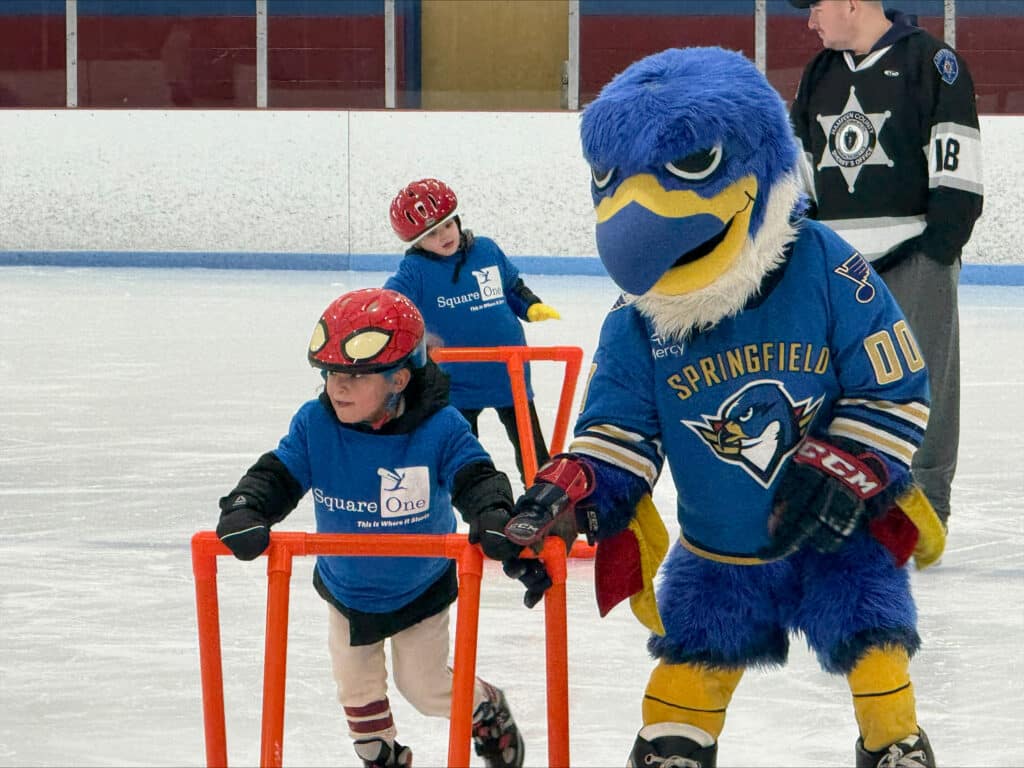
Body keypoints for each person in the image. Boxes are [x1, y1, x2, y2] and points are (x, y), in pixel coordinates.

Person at [496, 47, 945, 768]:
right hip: (720, 555)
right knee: (682, 692)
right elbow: (618, 433)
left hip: (838, 538)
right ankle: (678, 747)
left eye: (697, 164)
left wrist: (845, 466)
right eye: (610, 182)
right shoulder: (637, 321)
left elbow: (894, 385)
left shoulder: (827, 266)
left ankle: (892, 744)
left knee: (880, 668)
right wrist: (571, 495)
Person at [215, 288, 529, 768]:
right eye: (331, 374)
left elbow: (475, 475)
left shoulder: (440, 427)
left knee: (424, 689)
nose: (337, 388)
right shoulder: (315, 425)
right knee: (356, 691)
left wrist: (492, 514)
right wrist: (246, 506)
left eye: (355, 376)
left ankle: (486, 708)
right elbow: (278, 473)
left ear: (399, 378)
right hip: (347, 590)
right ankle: (382, 758)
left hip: (420, 588)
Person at [788, 0, 984, 528]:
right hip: (838, 272)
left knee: (925, 386)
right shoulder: (819, 74)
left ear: (852, 3)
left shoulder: (932, 63)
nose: (810, 21)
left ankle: (924, 509)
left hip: (915, 262)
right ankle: (840, 501)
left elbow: (958, 175)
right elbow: (800, 176)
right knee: (833, 386)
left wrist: (934, 256)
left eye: (816, 7)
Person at [384, 178, 561, 486]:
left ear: (457, 220)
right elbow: (391, 308)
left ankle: (543, 503)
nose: (443, 237)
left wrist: (531, 306)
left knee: (532, 450)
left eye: (447, 226)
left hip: (511, 375)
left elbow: (512, 287)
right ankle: (482, 502)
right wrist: (416, 336)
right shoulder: (415, 271)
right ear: (417, 243)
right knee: (466, 455)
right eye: (431, 234)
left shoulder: (486, 250)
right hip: (458, 383)